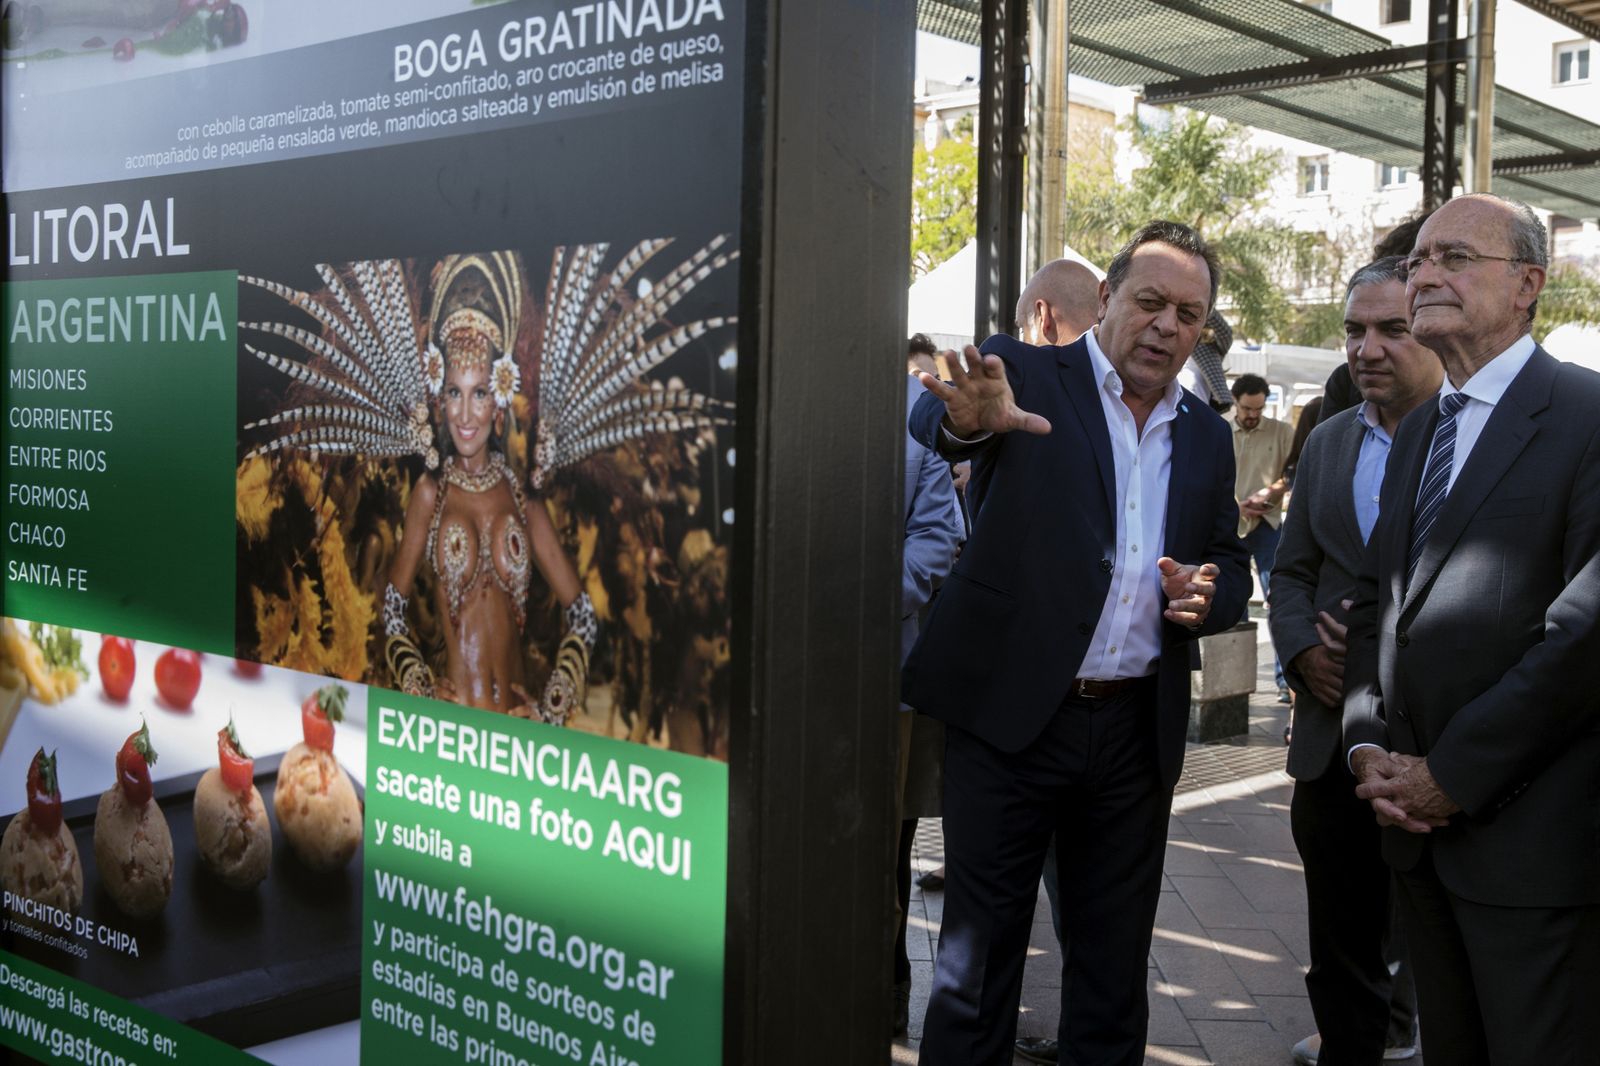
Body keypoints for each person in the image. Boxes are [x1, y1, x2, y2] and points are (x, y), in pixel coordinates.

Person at [906, 220, 1250, 1065]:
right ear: (1106, 299)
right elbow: (941, 419)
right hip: (1013, 723)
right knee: (975, 967)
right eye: (1151, 303)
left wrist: (1208, 595)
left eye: (1190, 314)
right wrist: (969, 426)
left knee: (1111, 971)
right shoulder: (1024, 371)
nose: (1168, 326)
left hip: (1135, 735)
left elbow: (1229, 562)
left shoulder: (1205, 433)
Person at [1344, 193, 1600, 1065]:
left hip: (1530, 851)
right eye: (1418, 260)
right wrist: (1365, 746)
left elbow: (1584, 641)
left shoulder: (1588, 417)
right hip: (1416, 842)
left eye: (1455, 258)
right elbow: (1384, 612)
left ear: (1528, 284)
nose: (1425, 276)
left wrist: (1449, 775)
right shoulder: (1423, 434)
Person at [1270, 258, 1438, 1065]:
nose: (1367, 349)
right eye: (1353, 330)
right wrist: (1302, 649)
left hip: (1437, 744)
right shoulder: (1333, 440)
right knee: (1339, 942)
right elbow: (1293, 569)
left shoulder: (1471, 440)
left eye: (1392, 330)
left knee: (1429, 939)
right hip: (1329, 739)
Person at [384, 255, 597, 718]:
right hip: (450, 726)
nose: (465, 415)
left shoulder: (523, 497)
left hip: (516, 738)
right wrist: (417, 683)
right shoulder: (430, 493)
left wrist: (552, 707)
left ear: (499, 399)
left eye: (479, 392)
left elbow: (582, 615)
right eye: (454, 393)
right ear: (440, 400)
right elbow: (390, 610)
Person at [1008, 258, 1110, 1066]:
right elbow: (945, 421)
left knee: (1092, 916)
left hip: (1111, 723)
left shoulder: (1182, 422)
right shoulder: (1013, 385)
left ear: (1041, 316)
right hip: (1018, 718)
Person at [893, 361, 965, 1037]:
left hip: (891, 682)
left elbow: (939, 539)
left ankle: (882, 996)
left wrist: (862, 598)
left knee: (886, 853)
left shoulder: (920, 426)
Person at [1230, 373, 1296, 702]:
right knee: (1234, 603)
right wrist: (1237, 505)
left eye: (1258, 408)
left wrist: (1270, 492)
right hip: (1232, 526)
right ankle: (1232, 684)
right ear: (1235, 403)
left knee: (1279, 601)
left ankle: (1286, 682)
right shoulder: (1220, 430)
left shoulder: (1283, 432)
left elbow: (1291, 475)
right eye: (1246, 408)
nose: (1252, 414)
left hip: (1269, 526)